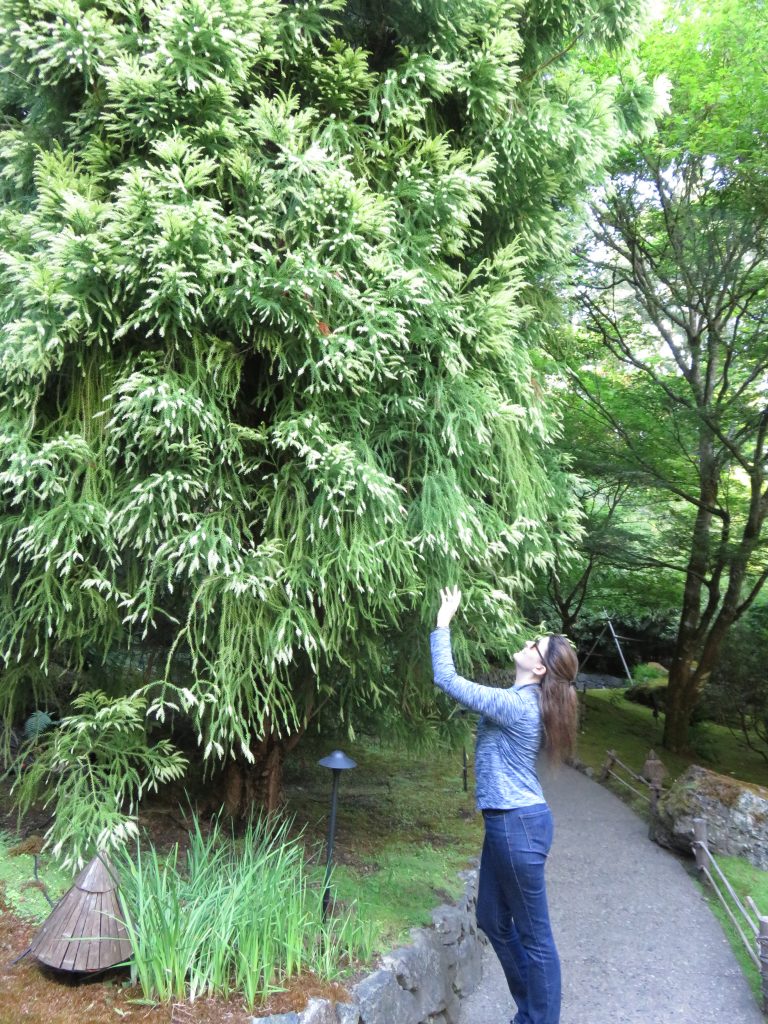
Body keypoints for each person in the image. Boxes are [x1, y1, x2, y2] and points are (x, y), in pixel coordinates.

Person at [431, 585, 579, 1024]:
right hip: (508, 824)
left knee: (536, 938)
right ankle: (529, 1011)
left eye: (536, 645)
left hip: (519, 826)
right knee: (493, 919)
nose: (528, 643)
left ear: (540, 667)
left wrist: (442, 624)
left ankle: (538, 1019)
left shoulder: (518, 706)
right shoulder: (519, 701)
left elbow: (447, 680)